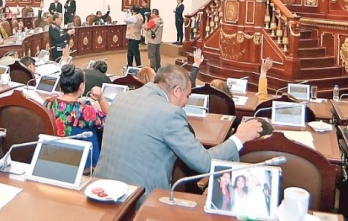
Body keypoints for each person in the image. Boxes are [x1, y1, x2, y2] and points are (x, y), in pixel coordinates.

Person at [94, 64, 263, 205]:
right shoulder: (169, 113)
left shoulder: (121, 98)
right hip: (140, 202)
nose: (186, 102)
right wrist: (238, 138)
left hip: (100, 189)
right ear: (176, 91)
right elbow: (204, 163)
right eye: (187, 96)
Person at [44, 64, 109, 166]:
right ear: (81, 87)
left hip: (53, 156)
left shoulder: (49, 102)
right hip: (82, 162)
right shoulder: (86, 111)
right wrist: (101, 99)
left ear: (60, 85)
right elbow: (110, 121)